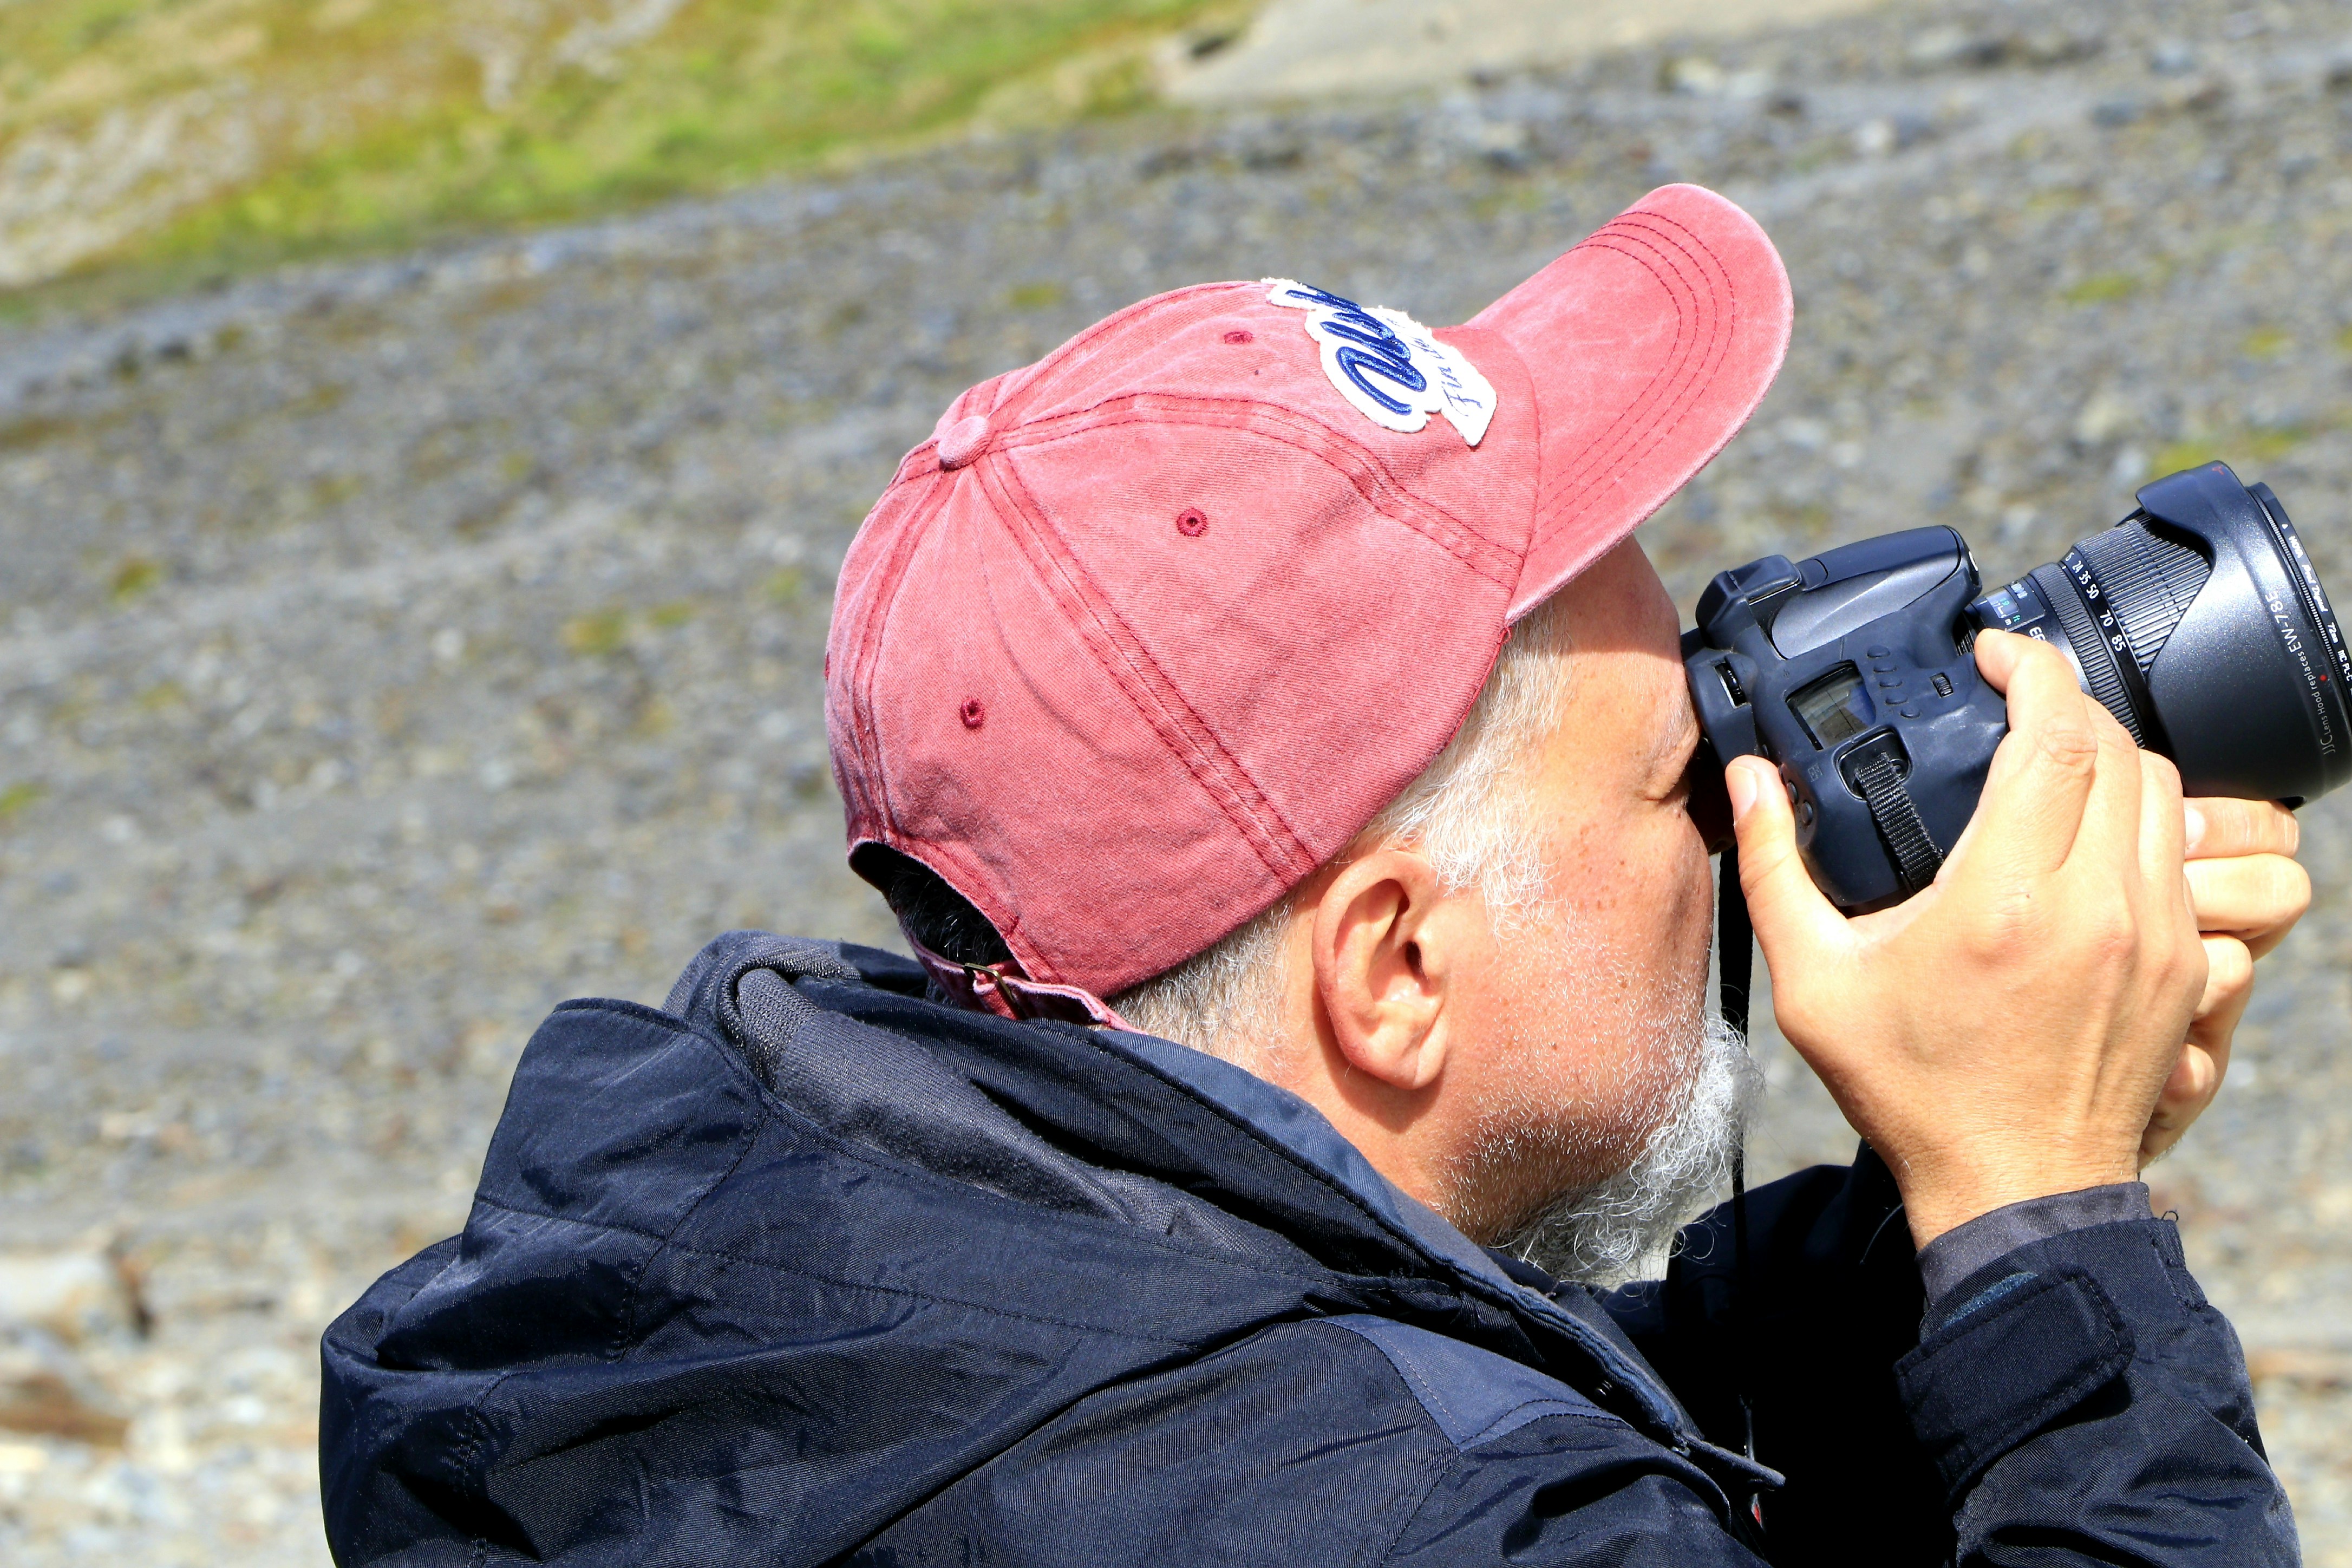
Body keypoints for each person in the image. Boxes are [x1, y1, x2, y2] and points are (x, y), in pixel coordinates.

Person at [319, 186, 2311, 1565]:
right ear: (1396, 970)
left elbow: (1497, 1389)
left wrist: (1945, 1215)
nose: (1740, 797)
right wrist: (2057, 1243)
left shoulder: (785, 1275)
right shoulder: (1399, 1522)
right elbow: (1474, 1480)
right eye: (1671, 778)